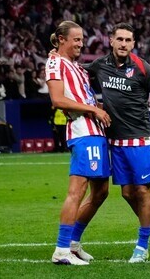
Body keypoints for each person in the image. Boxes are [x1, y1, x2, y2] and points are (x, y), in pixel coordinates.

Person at [84, 23, 150, 263]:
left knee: (142, 192)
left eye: (128, 40)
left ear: (133, 43)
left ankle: (142, 246)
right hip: (116, 142)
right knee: (127, 193)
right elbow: (75, 70)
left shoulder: (143, 68)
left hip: (141, 139)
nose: (123, 44)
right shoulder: (100, 65)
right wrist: (57, 57)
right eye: (119, 39)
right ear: (111, 41)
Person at [45, 21, 111, 266]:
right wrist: (93, 110)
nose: (81, 44)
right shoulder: (55, 63)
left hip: (96, 132)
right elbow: (57, 100)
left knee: (101, 192)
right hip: (83, 131)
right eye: (76, 39)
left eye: (82, 39)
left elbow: (85, 97)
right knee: (77, 191)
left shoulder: (77, 67)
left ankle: (72, 243)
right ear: (61, 39)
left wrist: (102, 108)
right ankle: (61, 250)